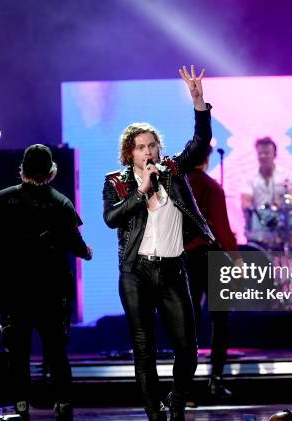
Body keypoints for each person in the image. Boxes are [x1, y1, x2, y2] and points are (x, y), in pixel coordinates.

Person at [102, 65, 213, 421]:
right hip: (135, 273)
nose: (148, 152)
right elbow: (111, 218)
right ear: (129, 153)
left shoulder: (173, 171)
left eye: (152, 146)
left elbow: (198, 146)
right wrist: (141, 191)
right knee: (144, 349)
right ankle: (154, 415)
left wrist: (198, 104)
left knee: (188, 350)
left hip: (171, 269)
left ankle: (177, 400)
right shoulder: (116, 183)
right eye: (141, 147)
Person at [0, 144, 92, 421]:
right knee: (55, 351)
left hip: (13, 292)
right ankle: (63, 404)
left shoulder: (2, 200)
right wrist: (87, 251)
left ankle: (21, 406)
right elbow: (77, 247)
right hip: (50, 292)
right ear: (51, 171)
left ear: (22, 170)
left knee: (17, 353)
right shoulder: (62, 203)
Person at [185, 145, 243, 400]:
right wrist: (237, 257)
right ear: (207, 160)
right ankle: (215, 379)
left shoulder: (176, 185)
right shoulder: (212, 187)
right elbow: (222, 226)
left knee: (189, 321)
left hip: (184, 258)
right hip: (212, 256)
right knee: (219, 319)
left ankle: (185, 384)